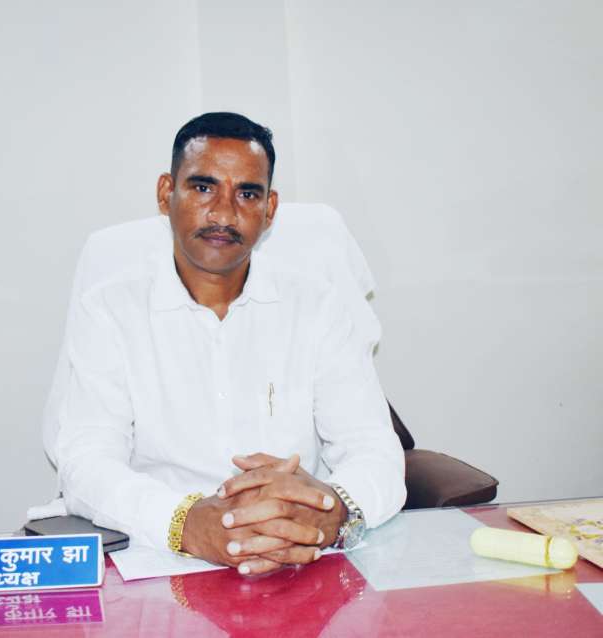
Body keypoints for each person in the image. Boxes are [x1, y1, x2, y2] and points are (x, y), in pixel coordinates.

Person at [49, 112, 405, 575]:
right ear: (166, 193)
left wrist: (332, 508)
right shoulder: (109, 311)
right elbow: (86, 461)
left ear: (270, 209)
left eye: (247, 194)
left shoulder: (317, 307)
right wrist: (185, 522)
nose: (223, 213)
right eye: (203, 187)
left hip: (300, 560)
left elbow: (373, 448)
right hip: (160, 559)